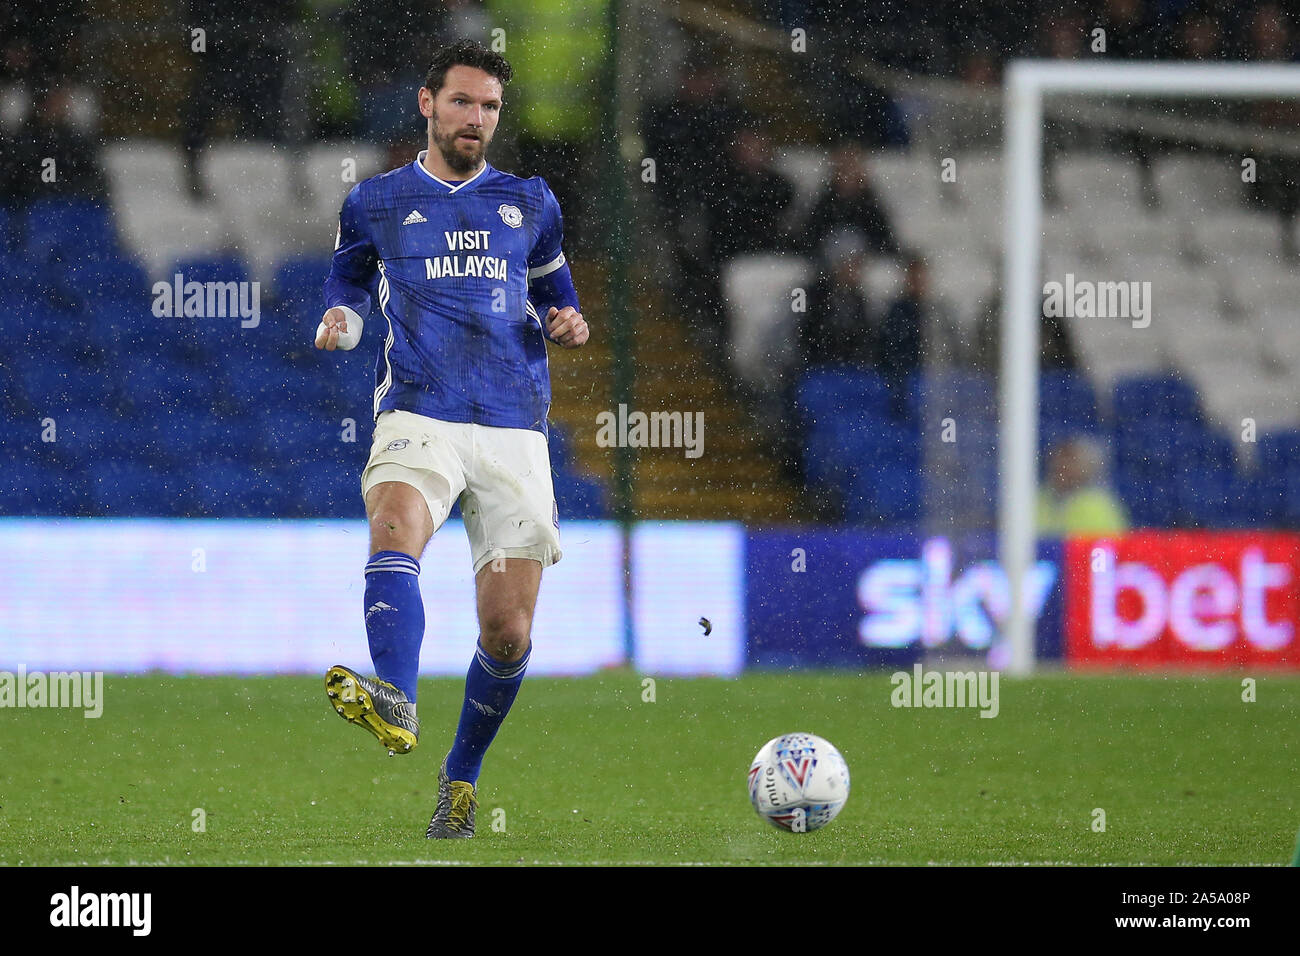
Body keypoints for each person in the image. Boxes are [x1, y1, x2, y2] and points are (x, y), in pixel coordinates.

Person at [315, 40, 589, 839]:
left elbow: (557, 296)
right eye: (464, 102)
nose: (478, 119)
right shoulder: (377, 200)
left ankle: (460, 777)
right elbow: (348, 279)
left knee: (508, 631)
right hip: (419, 409)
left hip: (512, 425)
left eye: (491, 107)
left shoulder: (530, 201)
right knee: (395, 523)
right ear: (427, 104)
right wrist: (342, 316)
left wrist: (568, 321)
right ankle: (395, 694)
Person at [1036, 436, 1129, 536]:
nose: (1063, 467)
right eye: (1059, 461)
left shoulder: (1099, 505)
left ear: (1086, 468)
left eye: (1070, 462)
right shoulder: (1036, 500)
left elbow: (1112, 544)